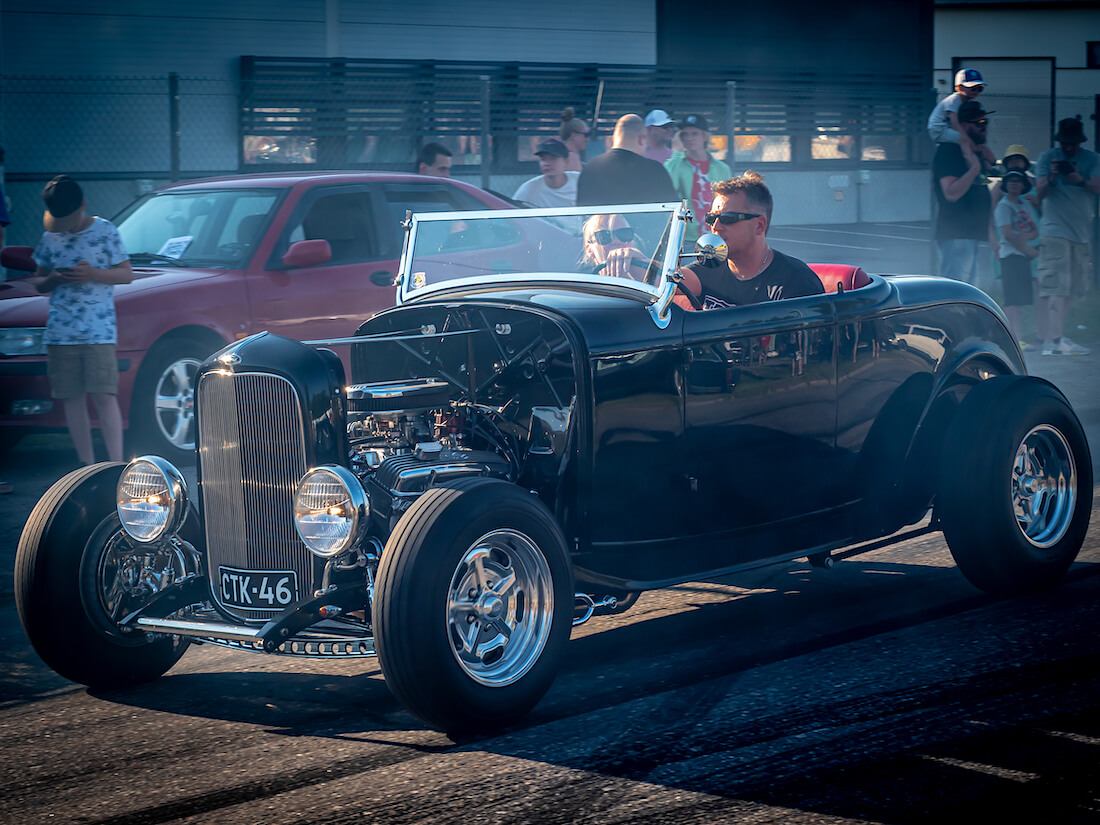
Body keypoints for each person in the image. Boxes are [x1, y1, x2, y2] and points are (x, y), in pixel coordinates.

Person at [31, 175, 133, 466]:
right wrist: (52, 278)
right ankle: (86, 467)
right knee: (72, 398)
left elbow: (126, 274)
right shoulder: (50, 236)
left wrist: (93, 274)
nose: (67, 228)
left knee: (104, 394)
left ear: (83, 205)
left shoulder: (105, 231)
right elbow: (38, 282)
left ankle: (115, 464)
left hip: (99, 332)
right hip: (61, 333)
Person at [676, 171, 824, 309]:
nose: (716, 226)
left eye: (728, 218)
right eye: (711, 218)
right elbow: (665, 280)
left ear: (759, 226)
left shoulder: (796, 281)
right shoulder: (711, 267)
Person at [1035, 117, 1099, 356]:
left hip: (1081, 233)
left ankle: (1058, 337)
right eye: (1065, 143)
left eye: (1073, 143)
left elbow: (1098, 187)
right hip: (1055, 231)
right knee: (1055, 286)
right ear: (1059, 141)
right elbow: (1039, 194)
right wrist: (1052, 178)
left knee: (1072, 289)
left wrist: (1078, 180)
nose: (1069, 148)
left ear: (1079, 142)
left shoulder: (1092, 159)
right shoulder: (1047, 158)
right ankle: (1054, 341)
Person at [932, 99, 994, 285]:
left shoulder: (974, 152)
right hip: (956, 234)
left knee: (970, 295)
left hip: (972, 233)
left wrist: (987, 163)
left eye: (986, 123)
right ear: (964, 125)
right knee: (956, 292)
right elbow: (951, 193)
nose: (985, 128)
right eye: (980, 123)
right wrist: (974, 168)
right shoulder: (949, 151)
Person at [576, 114, 678, 207]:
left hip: (598, 227)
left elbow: (582, 213)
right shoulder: (655, 170)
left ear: (615, 137)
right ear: (641, 139)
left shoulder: (590, 168)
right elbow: (671, 211)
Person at [664, 114, 733, 242]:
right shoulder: (677, 163)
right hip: (687, 238)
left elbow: (731, 203)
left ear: (704, 136)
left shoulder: (722, 168)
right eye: (685, 134)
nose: (689, 138)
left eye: (694, 134)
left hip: (717, 236)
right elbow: (666, 187)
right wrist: (677, 151)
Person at [994, 170, 1041, 345]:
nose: (1013, 183)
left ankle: (1019, 337)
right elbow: (1007, 234)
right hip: (1010, 256)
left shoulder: (1025, 205)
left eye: (1017, 180)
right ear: (1005, 185)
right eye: (1010, 180)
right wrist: (1028, 249)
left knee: (1020, 300)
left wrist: (1025, 241)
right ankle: (1014, 339)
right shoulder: (1004, 206)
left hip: (1022, 256)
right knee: (1012, 299)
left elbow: (1035, 230)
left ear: (1023, 185)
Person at [928, 68, 996, 170]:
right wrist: (969, 142)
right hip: (939, 129)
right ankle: (975, 169)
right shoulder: (954, 100)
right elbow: (955, 124)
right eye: (973, 88)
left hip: (947, 127)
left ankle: (987, 168)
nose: (977, 91)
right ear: (959, 88)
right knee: (964, 141)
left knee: (973, 141)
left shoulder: (968, 102)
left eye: (980, 88)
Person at [579, 213, 650, 280]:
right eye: (604, 236)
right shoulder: (585, 289)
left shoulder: (658, 278)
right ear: (590, 250)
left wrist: (645, 268)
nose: (617, 241)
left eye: (625, 234)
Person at [513, 139, 578, 207]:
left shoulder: (579, 181)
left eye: (553, 158)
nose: (547, 163)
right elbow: (513, 211)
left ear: (566, 162)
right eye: (543, 159)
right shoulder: (529, 188)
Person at [559, 108, 590, 173]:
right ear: (574, 135)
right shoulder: (571, 158)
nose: (587, 139)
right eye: (585, 135)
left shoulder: (561, 156)